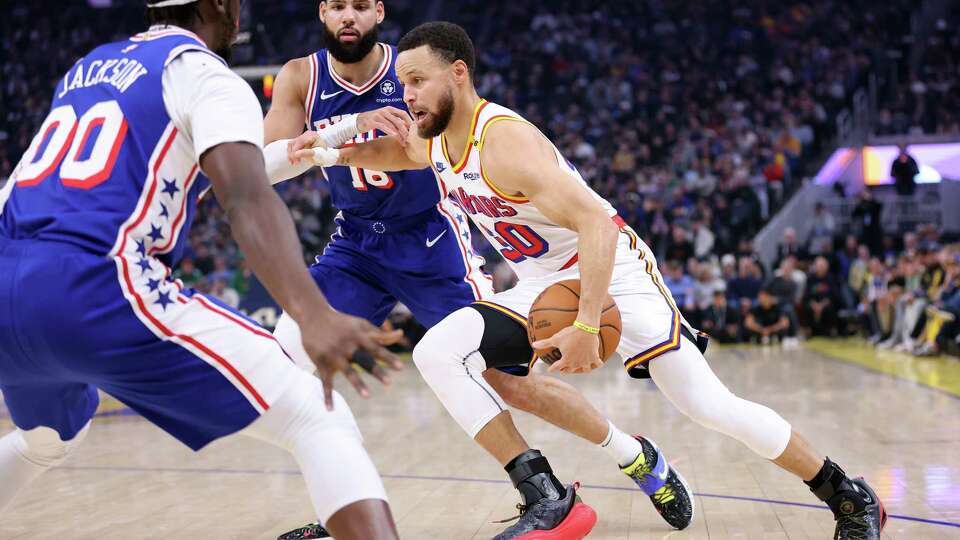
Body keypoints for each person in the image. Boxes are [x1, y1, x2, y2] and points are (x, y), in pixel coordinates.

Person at [294, 21, 887, 540]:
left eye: (418, 80)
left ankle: (847, 493)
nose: (407, 93)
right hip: (540, 277)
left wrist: (584, 323)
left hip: (614, 273)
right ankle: (544, 494)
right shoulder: (438, 138)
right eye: (403, 83)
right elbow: (402, 158)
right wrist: (325, 156)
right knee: (440, 352)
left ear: (458, 73)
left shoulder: (505, 141)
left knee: (709, 406)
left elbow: (598, 225)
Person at [262, 3, 694, 538]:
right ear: (322, 10)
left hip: (432, 241)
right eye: (336, 4)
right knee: (288, 363)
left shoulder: (416, 70)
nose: (347, 15)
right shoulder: (300, 76)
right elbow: (262, 168)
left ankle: (634, 456)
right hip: (355, 244)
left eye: (359, 4)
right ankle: (346, 514)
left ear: (378, 10)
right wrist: (346, 128)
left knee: (505, 381)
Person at [0, 2, 405, 539]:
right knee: (317, 415)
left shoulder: (87, 67)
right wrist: (312, 314)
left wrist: (322, 143)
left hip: (7, 276)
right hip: (95, 280)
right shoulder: (205, 73)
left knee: (47, 438)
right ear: (220, 8)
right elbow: (243, 194)